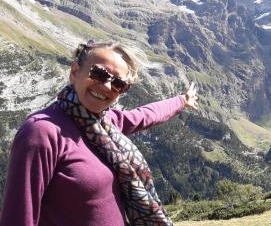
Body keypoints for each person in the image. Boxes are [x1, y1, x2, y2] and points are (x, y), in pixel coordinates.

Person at [0, 40, 198, 226]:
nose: (106, 86)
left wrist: (182, 100)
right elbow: (18, 216)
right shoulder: (41, 132)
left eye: (118, 84)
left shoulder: (105, 123)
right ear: (75, 71)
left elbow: (145, 115)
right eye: (99, 74)